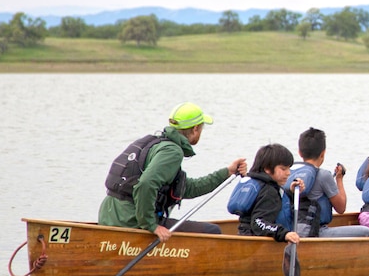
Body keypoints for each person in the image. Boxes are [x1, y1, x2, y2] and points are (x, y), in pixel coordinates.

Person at [99, 102, 247, 240]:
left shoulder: (155, 142)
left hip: (109, 216)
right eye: (202, 127)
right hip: (129, 221)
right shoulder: (173, 152)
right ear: (195, 129)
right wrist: (151, 225)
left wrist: (227, 172)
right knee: (212, 231)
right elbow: (146, 184)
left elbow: (186, 189)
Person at [286, 127, 369, 238]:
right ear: (323, 153)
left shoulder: (287, 173)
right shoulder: (324, 175)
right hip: (316, 232)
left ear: (300, 153)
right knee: (366, 232)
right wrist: (339, 179)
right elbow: (341, 208)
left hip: (290, 231)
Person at [235, 143, 301, 245]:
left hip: (244, 234)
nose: (288, 173)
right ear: (268, 169)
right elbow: (258, 223)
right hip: (254, 242)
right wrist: (284, 234)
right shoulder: (269, 191)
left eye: (289, 168)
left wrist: (291, 193)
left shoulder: (258, 184)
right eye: (283, 169)